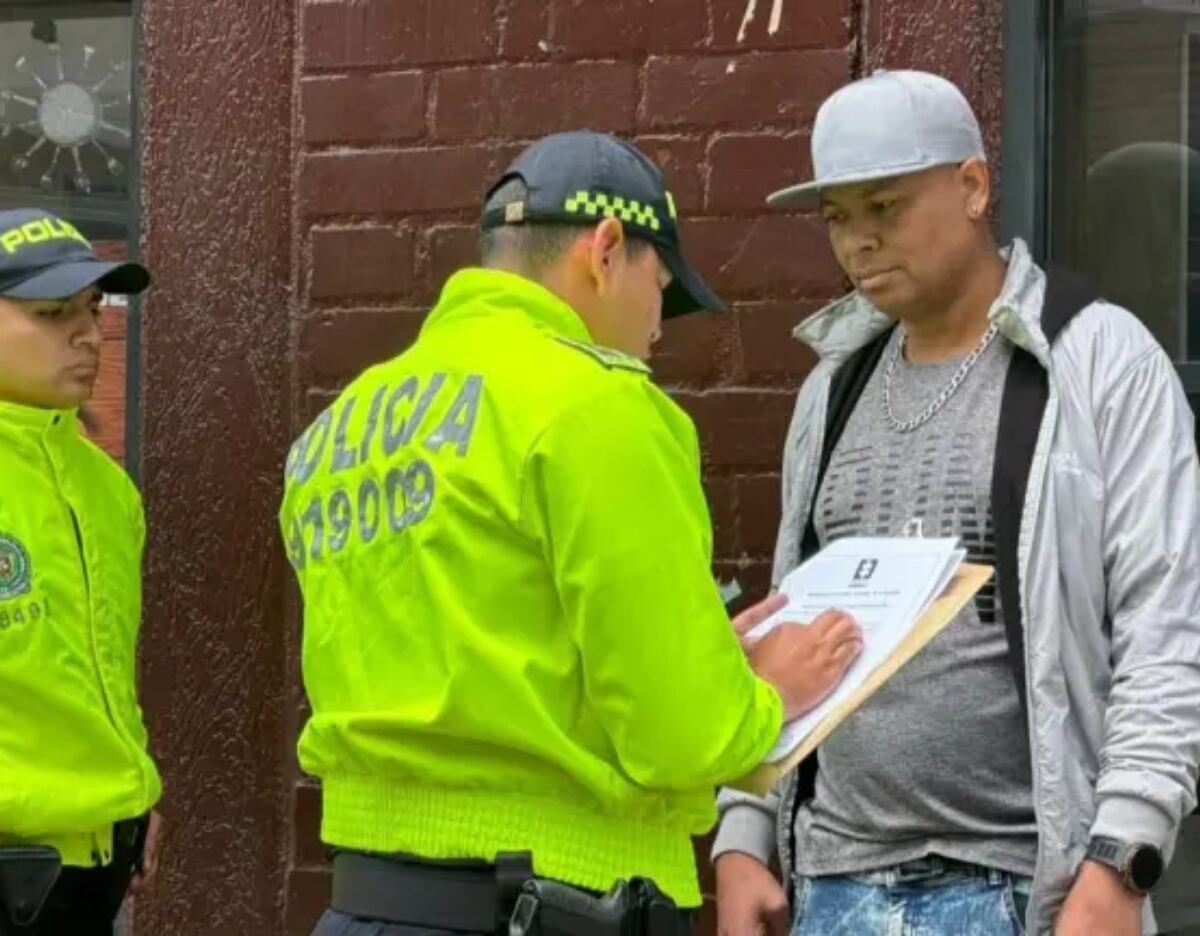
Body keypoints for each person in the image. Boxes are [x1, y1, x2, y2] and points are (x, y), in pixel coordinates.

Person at [279, 130, 863, 936]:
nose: (659, 325)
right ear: (607, 249)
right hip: (556, 901)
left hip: (364, 904)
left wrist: (698, 654)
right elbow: (683, 738)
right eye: (661, 288)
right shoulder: (598, 405)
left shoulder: (340, 428)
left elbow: (492, 650)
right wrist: (767, 697)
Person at [712, 70, 1200, 936]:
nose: (856, 242)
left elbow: (1166, 629)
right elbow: (790, 629)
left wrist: (1122, 860)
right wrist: (745, 833)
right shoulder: (833, 389)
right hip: (837, 885)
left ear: (972, 187)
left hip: (1028, 893)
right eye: (836, 219)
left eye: (884, 208)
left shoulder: (1098, 363)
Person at [0, 208, 162, 935]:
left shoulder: (107, 490)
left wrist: (135, 784)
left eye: (93, 309)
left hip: (102, 864)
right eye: (51, 312)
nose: (89, 335)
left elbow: (102, 665)